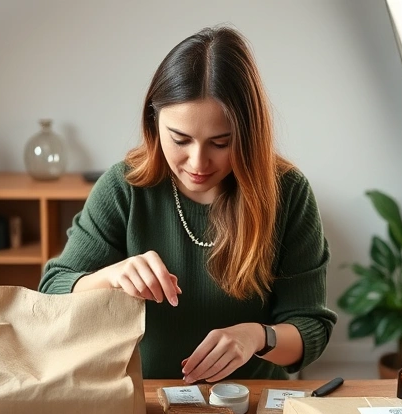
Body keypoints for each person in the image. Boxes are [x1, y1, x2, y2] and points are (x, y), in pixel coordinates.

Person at [40, 26, 336, 383]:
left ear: (249, 134)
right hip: (140, 400)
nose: (198, 163)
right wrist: (109, 278)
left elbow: (311, 327)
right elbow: (51, 293)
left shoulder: (287, 192)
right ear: (154, 121)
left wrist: (258, 336)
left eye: (221, 143)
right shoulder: (124, 187)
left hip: (250, 402)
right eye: (180, 139)